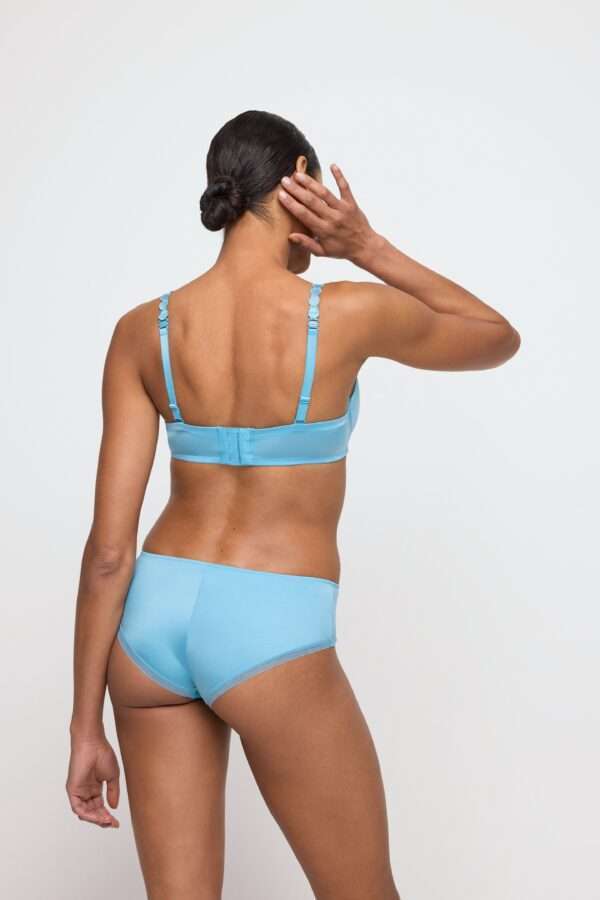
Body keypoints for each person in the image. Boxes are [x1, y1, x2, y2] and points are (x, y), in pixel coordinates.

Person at [66, 110, 520, 900]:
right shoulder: (343, 313)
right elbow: (494, 335)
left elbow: (109, 552)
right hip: (268, 624)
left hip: (150, 629)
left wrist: (83, 726)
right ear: (300, 182)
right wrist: (367, 246)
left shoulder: (142, 331)